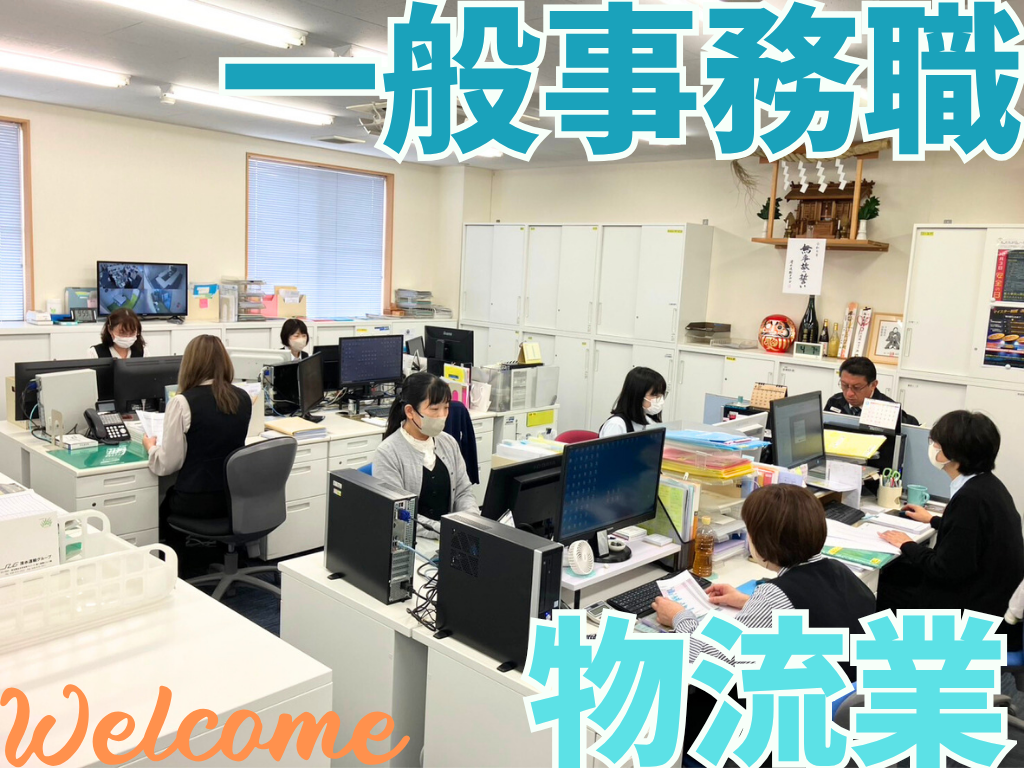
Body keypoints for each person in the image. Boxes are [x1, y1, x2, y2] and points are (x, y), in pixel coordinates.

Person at [652, 484, 875, 753]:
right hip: (831, 717)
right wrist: (747, 601)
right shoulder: (839, 570)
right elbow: (819, 610)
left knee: (681, 705)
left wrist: (680, 617)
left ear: (763, 542)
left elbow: (706, 660)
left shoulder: (775, 596)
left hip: (780, 731)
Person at [876, 410, 1024, 649]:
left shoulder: (970, 500)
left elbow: (944, 569)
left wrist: (907, 544)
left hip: (974, 615)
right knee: (899, 571)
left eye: (936, 443)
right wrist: (934, 520)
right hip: (992, 599)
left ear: (953, 454)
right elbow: (971, 537)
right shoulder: (988, 485)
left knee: (883, 584)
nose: (932, 447)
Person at [145, 335, 252, 534]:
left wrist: (151, 448)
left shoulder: (182, 402)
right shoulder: (243, 397)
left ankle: (175, 554)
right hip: (232, 499)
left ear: (190, 363)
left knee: (158, 509)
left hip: (196, 500)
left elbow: (168, 464)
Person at [374, 372, 478, 525]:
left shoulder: (449, 443)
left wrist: (472, 521)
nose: (442, 415)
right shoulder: (388, 452)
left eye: (446, 408)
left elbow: (463, 492)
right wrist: (442, 529)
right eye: (434, 409)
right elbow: (399, 513)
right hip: (415, 535)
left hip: (448, 532)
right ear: (410, 412)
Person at [824, 356, 919, 425]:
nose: (849, 394)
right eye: (844, 385)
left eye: (857, 387)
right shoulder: (834, 402)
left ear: (873, 385)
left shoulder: (888, 411)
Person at [598, 367, 668, 438]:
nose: (660, 399)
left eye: (661, 395)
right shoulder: (616, 425)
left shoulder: (651, 422)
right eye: (655, 395)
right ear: (637, 395)